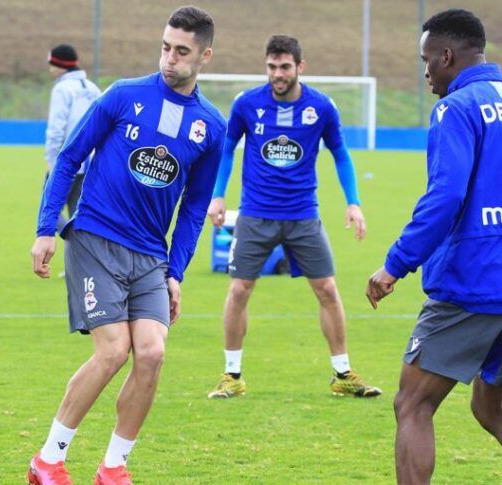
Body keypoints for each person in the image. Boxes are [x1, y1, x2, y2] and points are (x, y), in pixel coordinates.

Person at [28, 6, 225, 485]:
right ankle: (48, 460)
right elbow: (70, 156)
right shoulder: (123, 96)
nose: (169, 59)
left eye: (181, 51)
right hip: (96, 237)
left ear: (204, 56)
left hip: (151, 257)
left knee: (153, 353)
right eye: (165, 47)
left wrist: (175, 272)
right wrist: (46, 228)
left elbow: (195, 209)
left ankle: (113, 466)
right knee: (114, 351)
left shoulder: (210, 127)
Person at [366, 8, 502, 484]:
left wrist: (394, 265)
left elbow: (445, 197)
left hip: (474, 283)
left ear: (447, 56)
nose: (425, 72)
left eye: (427, 61)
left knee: (413, 402)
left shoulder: (456, 108)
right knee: (490, 406)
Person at [205, 35, 380, 399]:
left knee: (328, 290)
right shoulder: (246, 104)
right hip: (255, 214)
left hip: (303, 215)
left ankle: (343, 374)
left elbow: (341, 154)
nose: (277, 74)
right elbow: (226, 151)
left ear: (300, 66)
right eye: (271, 67)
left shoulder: (322, 107)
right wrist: (219, 195)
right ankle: (232, 375)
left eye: (285, 67)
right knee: (239, 289)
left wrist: (353, 201)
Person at [44, 44, 101, 233]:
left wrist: (52, 161)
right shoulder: (93, 88)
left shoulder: (62, 89)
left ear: (59, 64)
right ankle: (84, 253)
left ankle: (74, 242)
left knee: (48, 210)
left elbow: (56, 129)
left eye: (51, 63)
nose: (49, 67)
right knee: (79, 213)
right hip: (89, 162)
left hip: (66, 161)